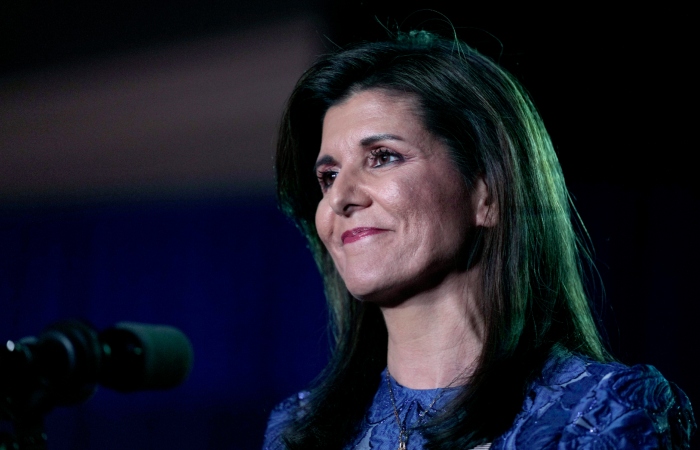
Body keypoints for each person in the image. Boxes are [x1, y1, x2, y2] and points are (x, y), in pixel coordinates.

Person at [263, 30, 696, 449]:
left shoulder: (602, 413)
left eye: (382, 157)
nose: (339, 197)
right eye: (328, 176)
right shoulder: (299, 431)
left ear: (486, 192)